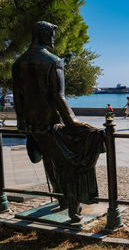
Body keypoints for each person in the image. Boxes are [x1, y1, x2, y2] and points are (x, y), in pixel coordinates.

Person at [12, 21, 105, 222]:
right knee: (68, 163)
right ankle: (73, 210)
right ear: (43, 34)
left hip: (32, 125)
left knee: (48, 160)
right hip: (52, 124)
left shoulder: (18, 63)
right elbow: (58, 96)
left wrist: (21, 121)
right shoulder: (53, 61)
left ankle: (61, 200)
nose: (53, 39)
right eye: (52, 35)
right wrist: (72, 121)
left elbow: (18, 96)